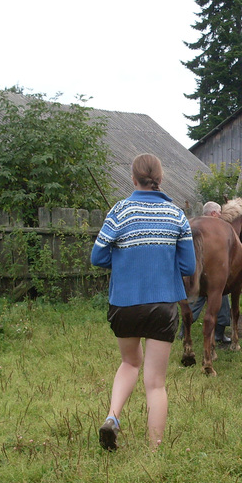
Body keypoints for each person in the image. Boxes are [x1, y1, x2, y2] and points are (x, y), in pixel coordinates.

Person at [91, 153, 196, 451]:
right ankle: (154, 449)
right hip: (163, 305)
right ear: (161, 179)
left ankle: (112, 417)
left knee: (129, 362)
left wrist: (126, 259)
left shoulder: (120, 211)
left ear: (133, 179)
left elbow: (97, 257)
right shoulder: (176, 214)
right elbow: (188, 267)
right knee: (156, 382)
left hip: (124, 304)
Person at [185, 201, 232, 344]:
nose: (220, 216)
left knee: (196, 295)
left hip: (193, 271)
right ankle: (219, 332)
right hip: (213, 272)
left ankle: (184, 329)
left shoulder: (194, 225)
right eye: (219, 213)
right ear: (213, 214)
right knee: (219, 293)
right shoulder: (217, 230)